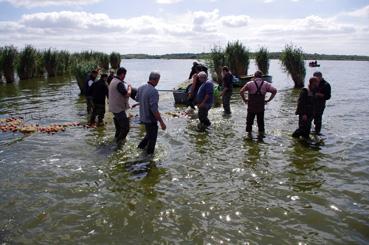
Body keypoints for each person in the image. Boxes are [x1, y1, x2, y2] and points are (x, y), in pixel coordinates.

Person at [136, 71, 166, 155]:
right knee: (152, 140)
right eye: (158, 80)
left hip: (143, 117)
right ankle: (149, 159)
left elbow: (137, 99)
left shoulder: (141, 87)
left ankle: (139, 149)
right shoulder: (154, 91)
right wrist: (162, 122)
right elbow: (154, 110)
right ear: (156, 80)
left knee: (148, 135)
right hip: (150, 119)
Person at [240, 70, 277, 137]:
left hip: (251, 107)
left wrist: (245, 99)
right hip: (260, 107)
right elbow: (274, 91)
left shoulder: (249, 83)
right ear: (261, 77)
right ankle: (261, 137)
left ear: (254, 76)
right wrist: (268, 100)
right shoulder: (266, 84)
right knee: (261, 123)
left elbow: (241, 91)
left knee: (249, 123)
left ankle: (249, 136)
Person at [108, 67, 132, 145]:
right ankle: (119, 144)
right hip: (118, 109)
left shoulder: (113, 80)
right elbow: (126, 94)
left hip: (113, 108)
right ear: (122, 74)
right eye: (124, 75)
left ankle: (116, 140)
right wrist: (129, 88)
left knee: (119, 129)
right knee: (126, 128)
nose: (125, 76)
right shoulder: (119, 83)